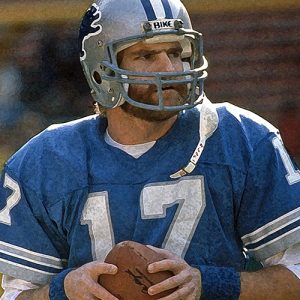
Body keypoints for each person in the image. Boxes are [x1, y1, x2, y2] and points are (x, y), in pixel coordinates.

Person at [0, 0, 300, 299]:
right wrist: (62, 291)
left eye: (175, 52)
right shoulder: (44, 161)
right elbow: (15, 296)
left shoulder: (241, 138)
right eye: (146, 55)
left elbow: (295, 272)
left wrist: (210, 285)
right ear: (100, 73)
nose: (169, 68)